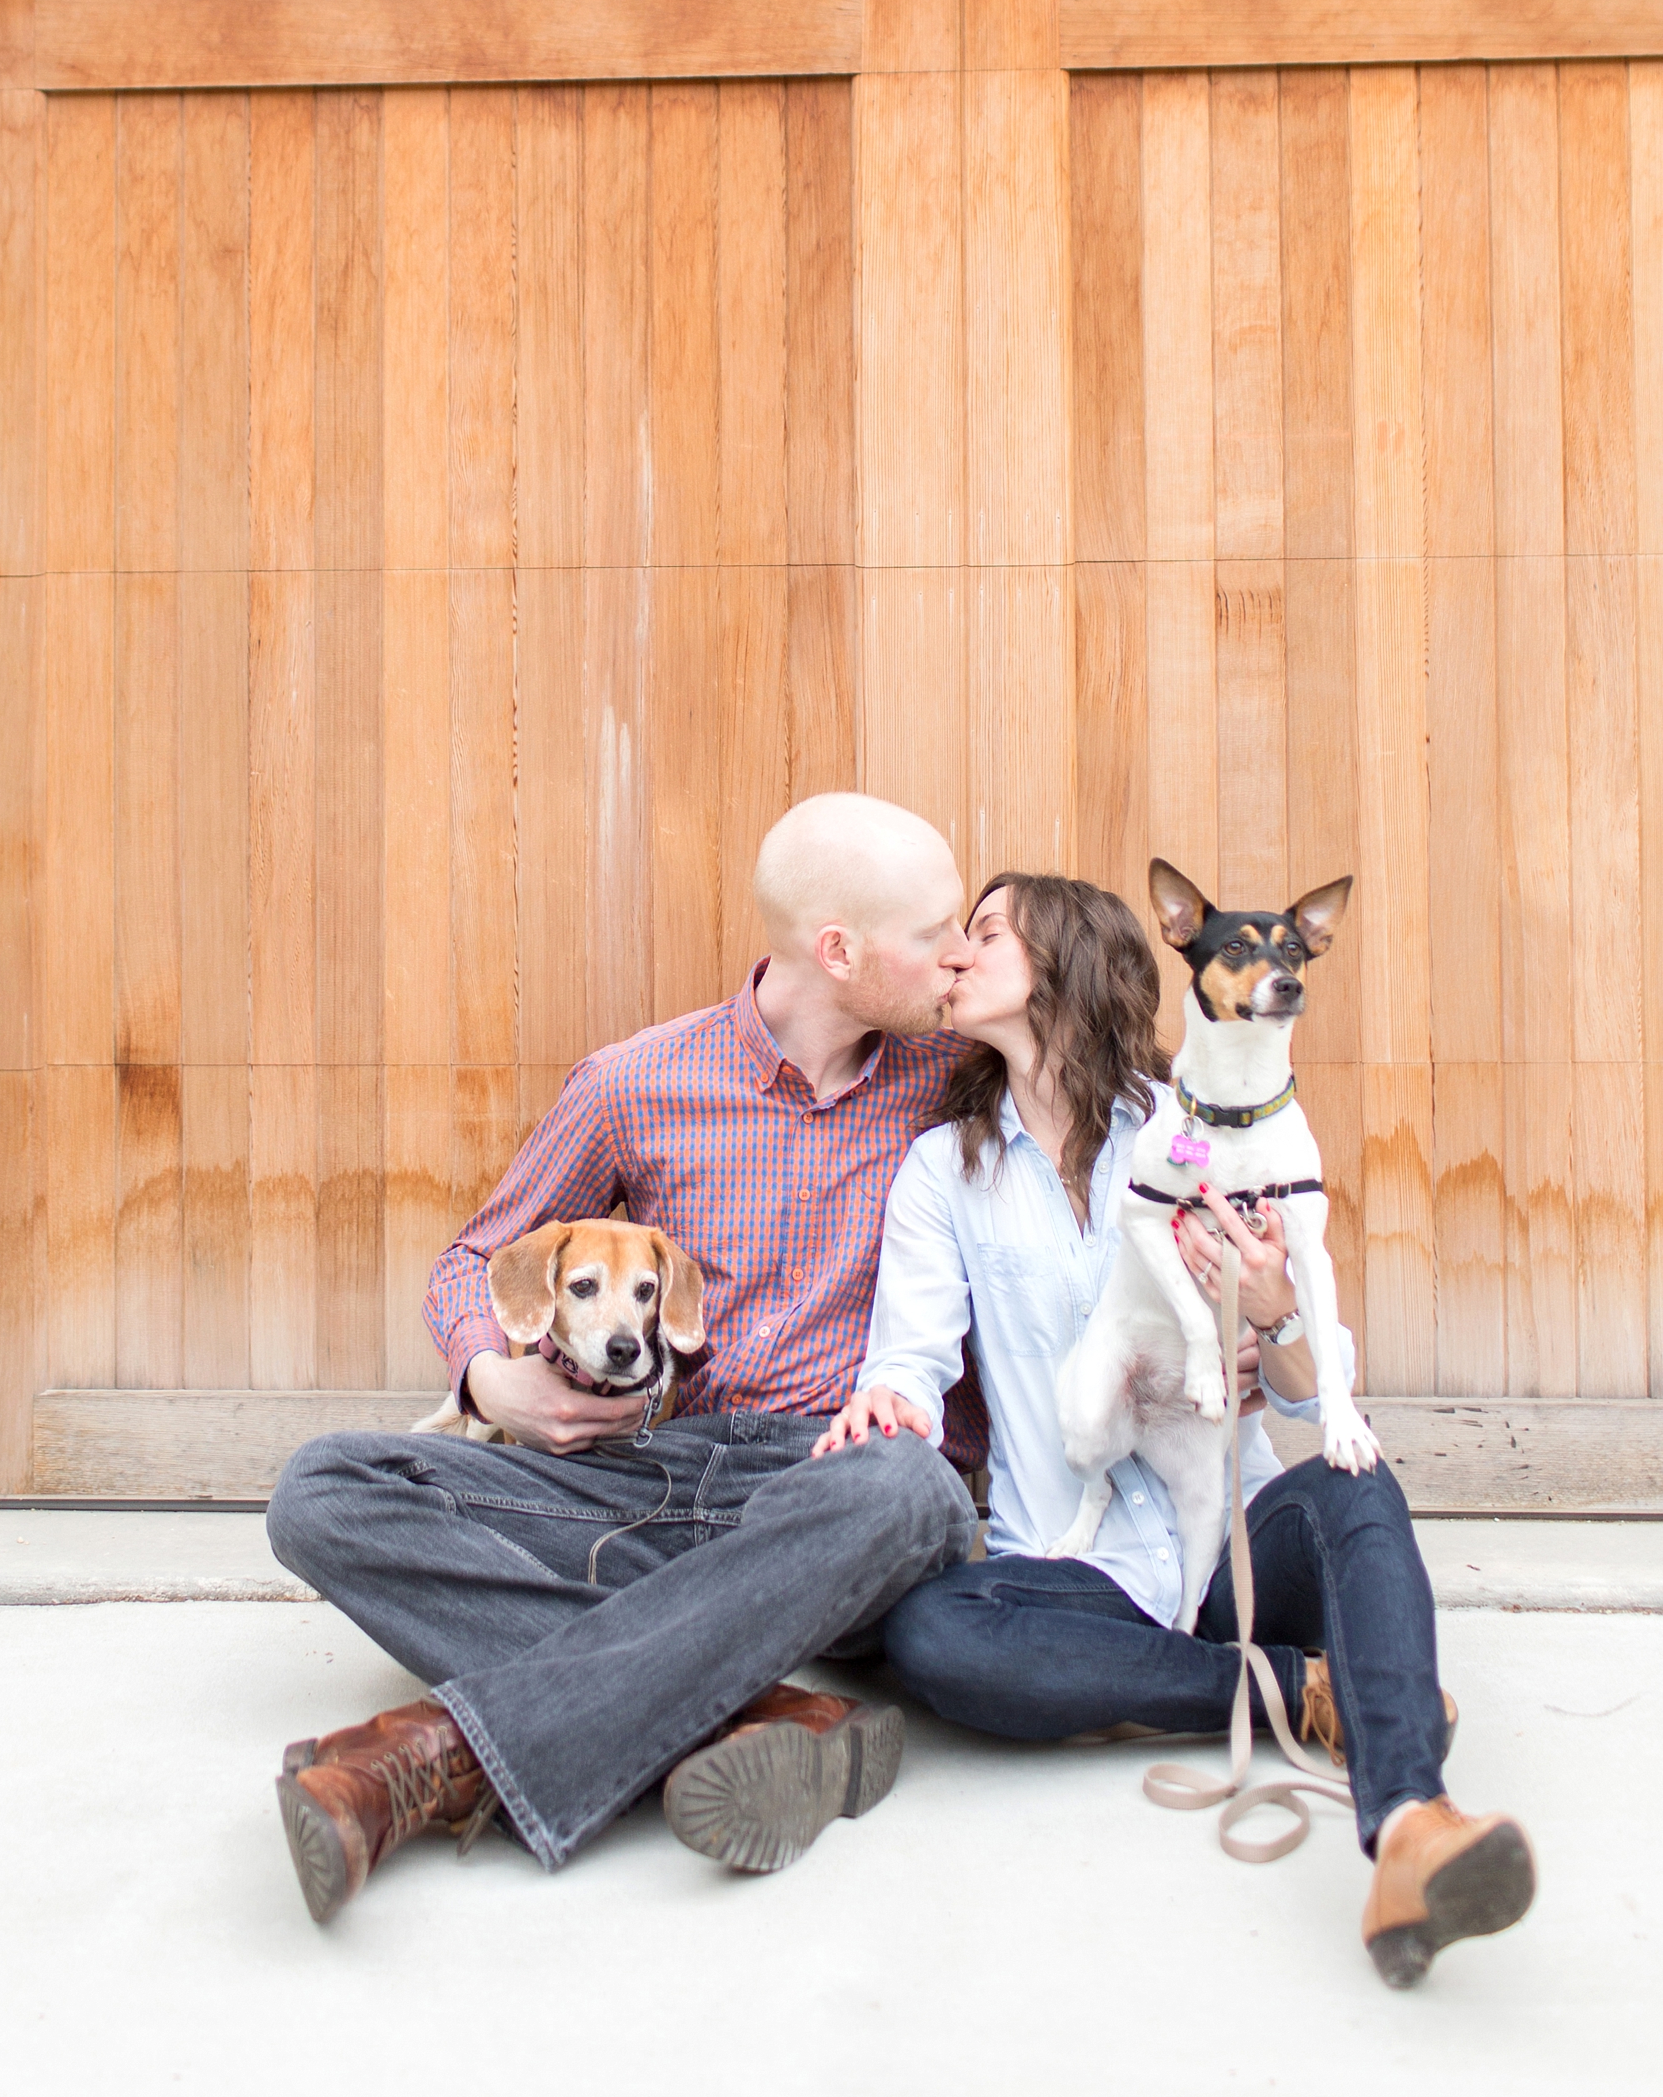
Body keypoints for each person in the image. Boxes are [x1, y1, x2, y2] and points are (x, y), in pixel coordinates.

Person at [266, 792, 981, 1923]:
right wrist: (490, 1377)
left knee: (908, 1485)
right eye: (936, 930)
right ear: (837, 953)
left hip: (831, 1486)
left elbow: (1104, 1136)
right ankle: (768, 1713)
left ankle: (432, 1759)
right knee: (325, 1490)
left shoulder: (957, 1082)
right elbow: (474, 1261)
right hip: (650, 1474)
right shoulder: (634, 1085)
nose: (961, 952)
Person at [815, 870, 1536, 1991]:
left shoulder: (1205, 1131)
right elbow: (910, 1360)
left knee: (1351, 1484)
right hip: (1075, 1558)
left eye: (985, 935)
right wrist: (886, 1402)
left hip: (1235, 1530)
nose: (955, 957)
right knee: (936, 1637)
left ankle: (1410, 1823)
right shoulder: (939, 1170)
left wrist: (1269, 1315)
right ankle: (1297, 1689)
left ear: (1062, 966)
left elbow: (1308, 1389)